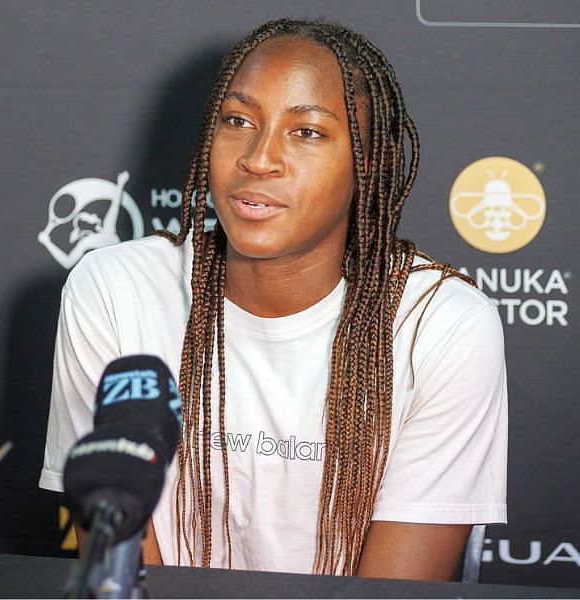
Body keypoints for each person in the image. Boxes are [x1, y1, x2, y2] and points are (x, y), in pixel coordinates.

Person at [41, 18, 507, 580]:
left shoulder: (442, 325)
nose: (259, 158)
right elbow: (115, 569)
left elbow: (396, 594)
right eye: (238, 120)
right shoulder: (114, 290)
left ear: (369, 162)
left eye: (307, 131)